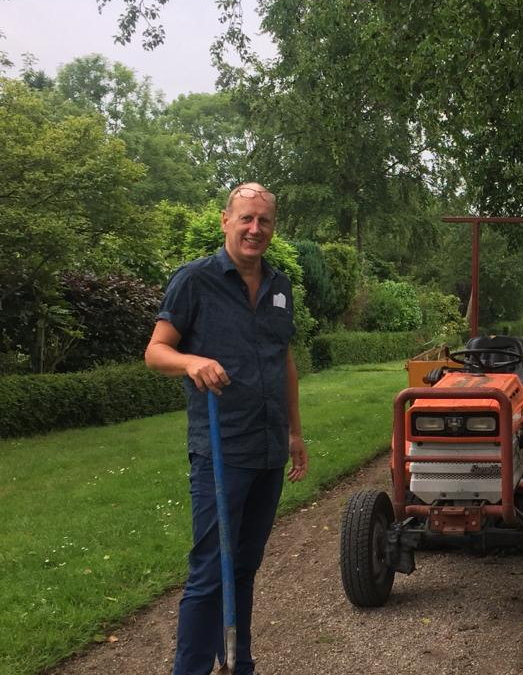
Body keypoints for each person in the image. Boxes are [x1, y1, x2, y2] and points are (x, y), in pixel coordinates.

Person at [145, 182, 308, 675]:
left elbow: (284, 362)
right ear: (226, 220)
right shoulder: (194, 280)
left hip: (268, 448)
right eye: (246, 218)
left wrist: (295, 433)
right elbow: (156, 351)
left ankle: (238, 662)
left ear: (273, 227)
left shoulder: (280, 287)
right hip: (221, 448)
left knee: (244, 566)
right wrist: (191, 361)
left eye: (264, 221)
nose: (255, 229)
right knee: (211, 571)